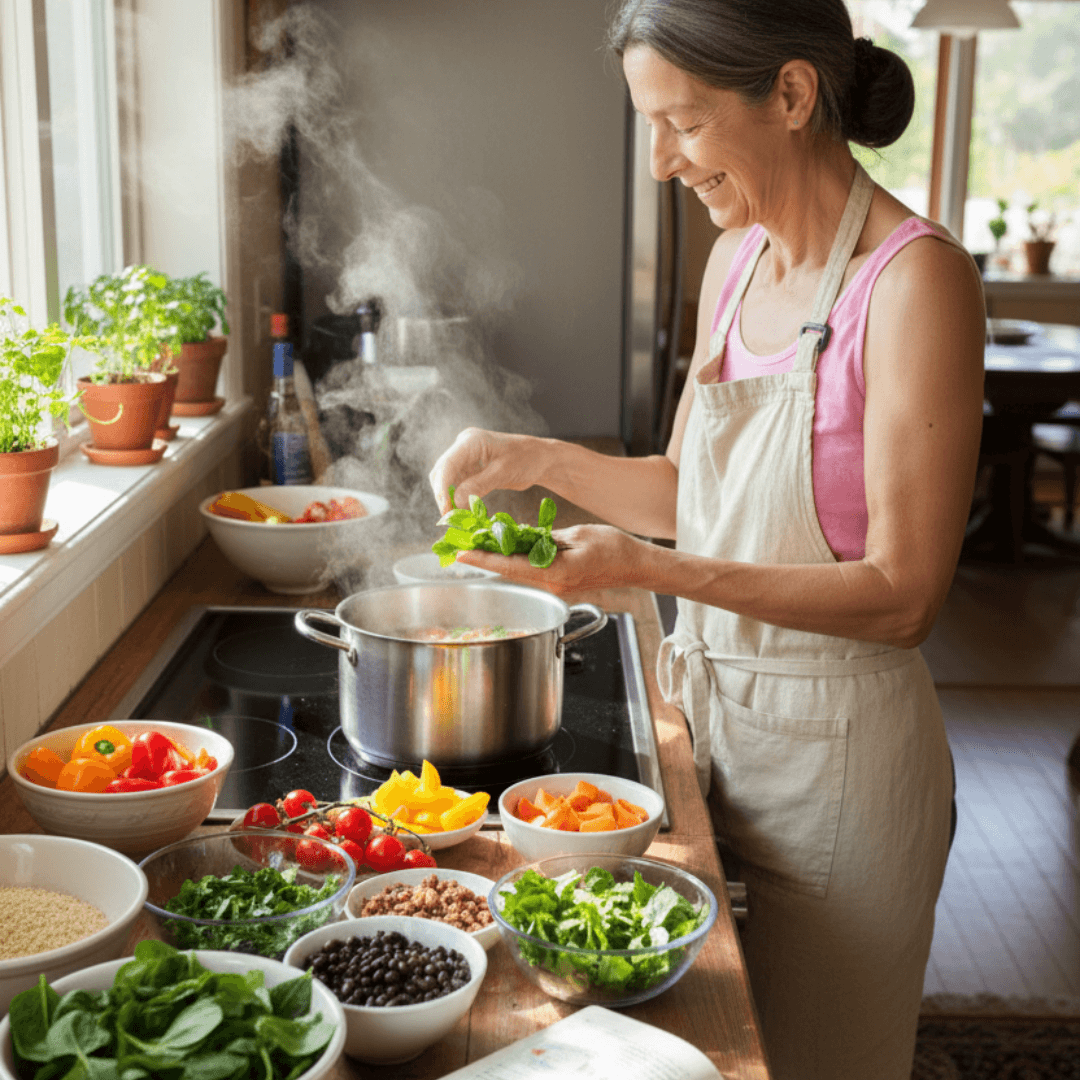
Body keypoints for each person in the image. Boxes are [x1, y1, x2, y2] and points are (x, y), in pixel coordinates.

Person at [428, 2, 985, 1077]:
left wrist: (641, 571)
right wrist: (533, 458)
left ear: (790, 94)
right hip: (714, 735)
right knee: (699, 1057)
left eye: (681, 123)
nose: (659, 162)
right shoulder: (734, 262)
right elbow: (690, 492)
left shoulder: (917, 283)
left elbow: (905, 595)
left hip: (843, 777)